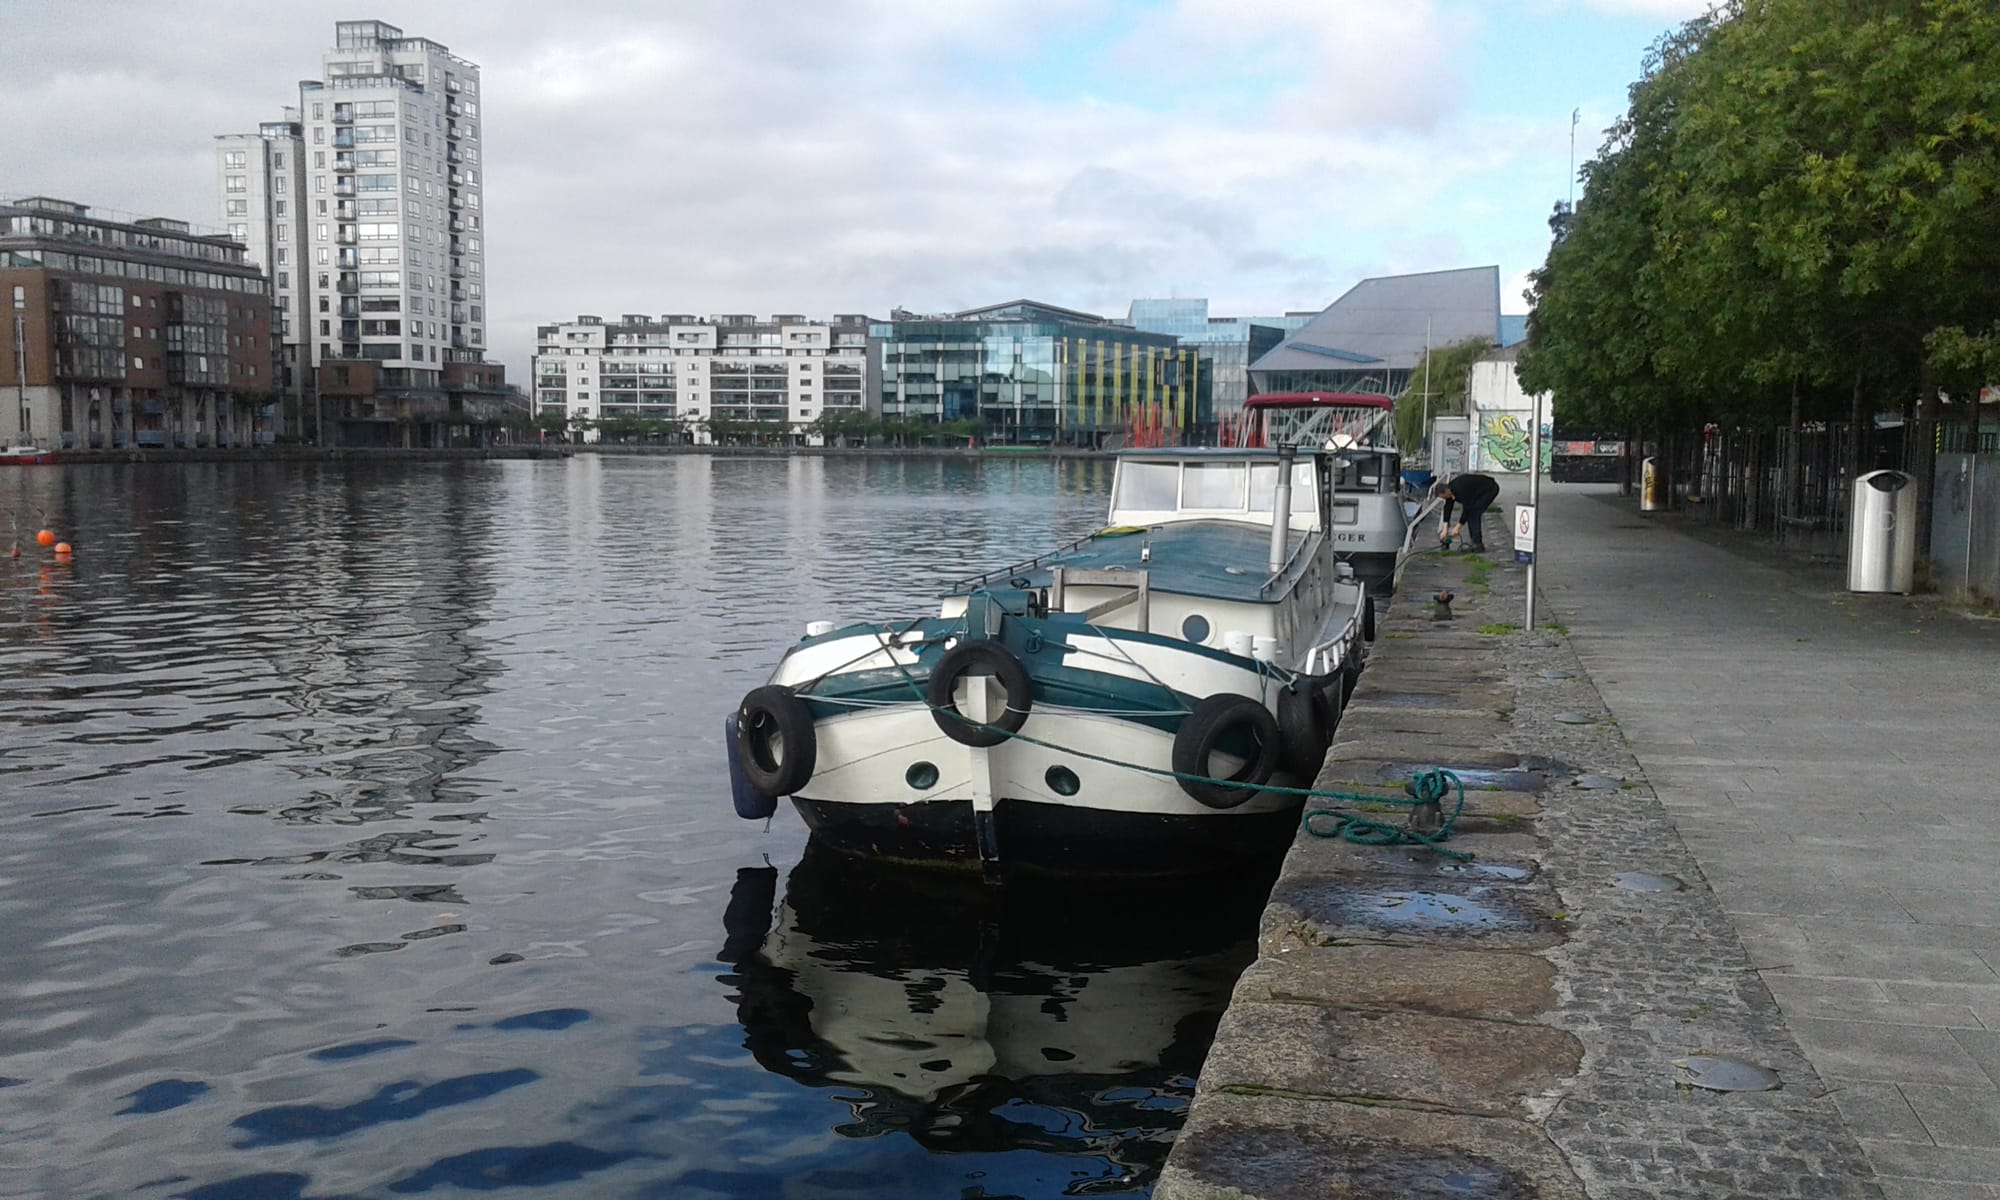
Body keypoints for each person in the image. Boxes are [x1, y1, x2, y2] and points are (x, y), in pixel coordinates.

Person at [1432, 472, 1500, 551]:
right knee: (1472, 513)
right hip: (1476, 492)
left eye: (1443, 497)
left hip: (1490, 489)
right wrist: (1445, 528)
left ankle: (1478, 544)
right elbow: (1448, 508)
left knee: (1474, 513)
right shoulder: (1450, 490)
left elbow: (1467, 508)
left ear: (1446, 491)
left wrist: (1458, 527)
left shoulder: (1460, 489)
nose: (1444, 499)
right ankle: (1474, 541)